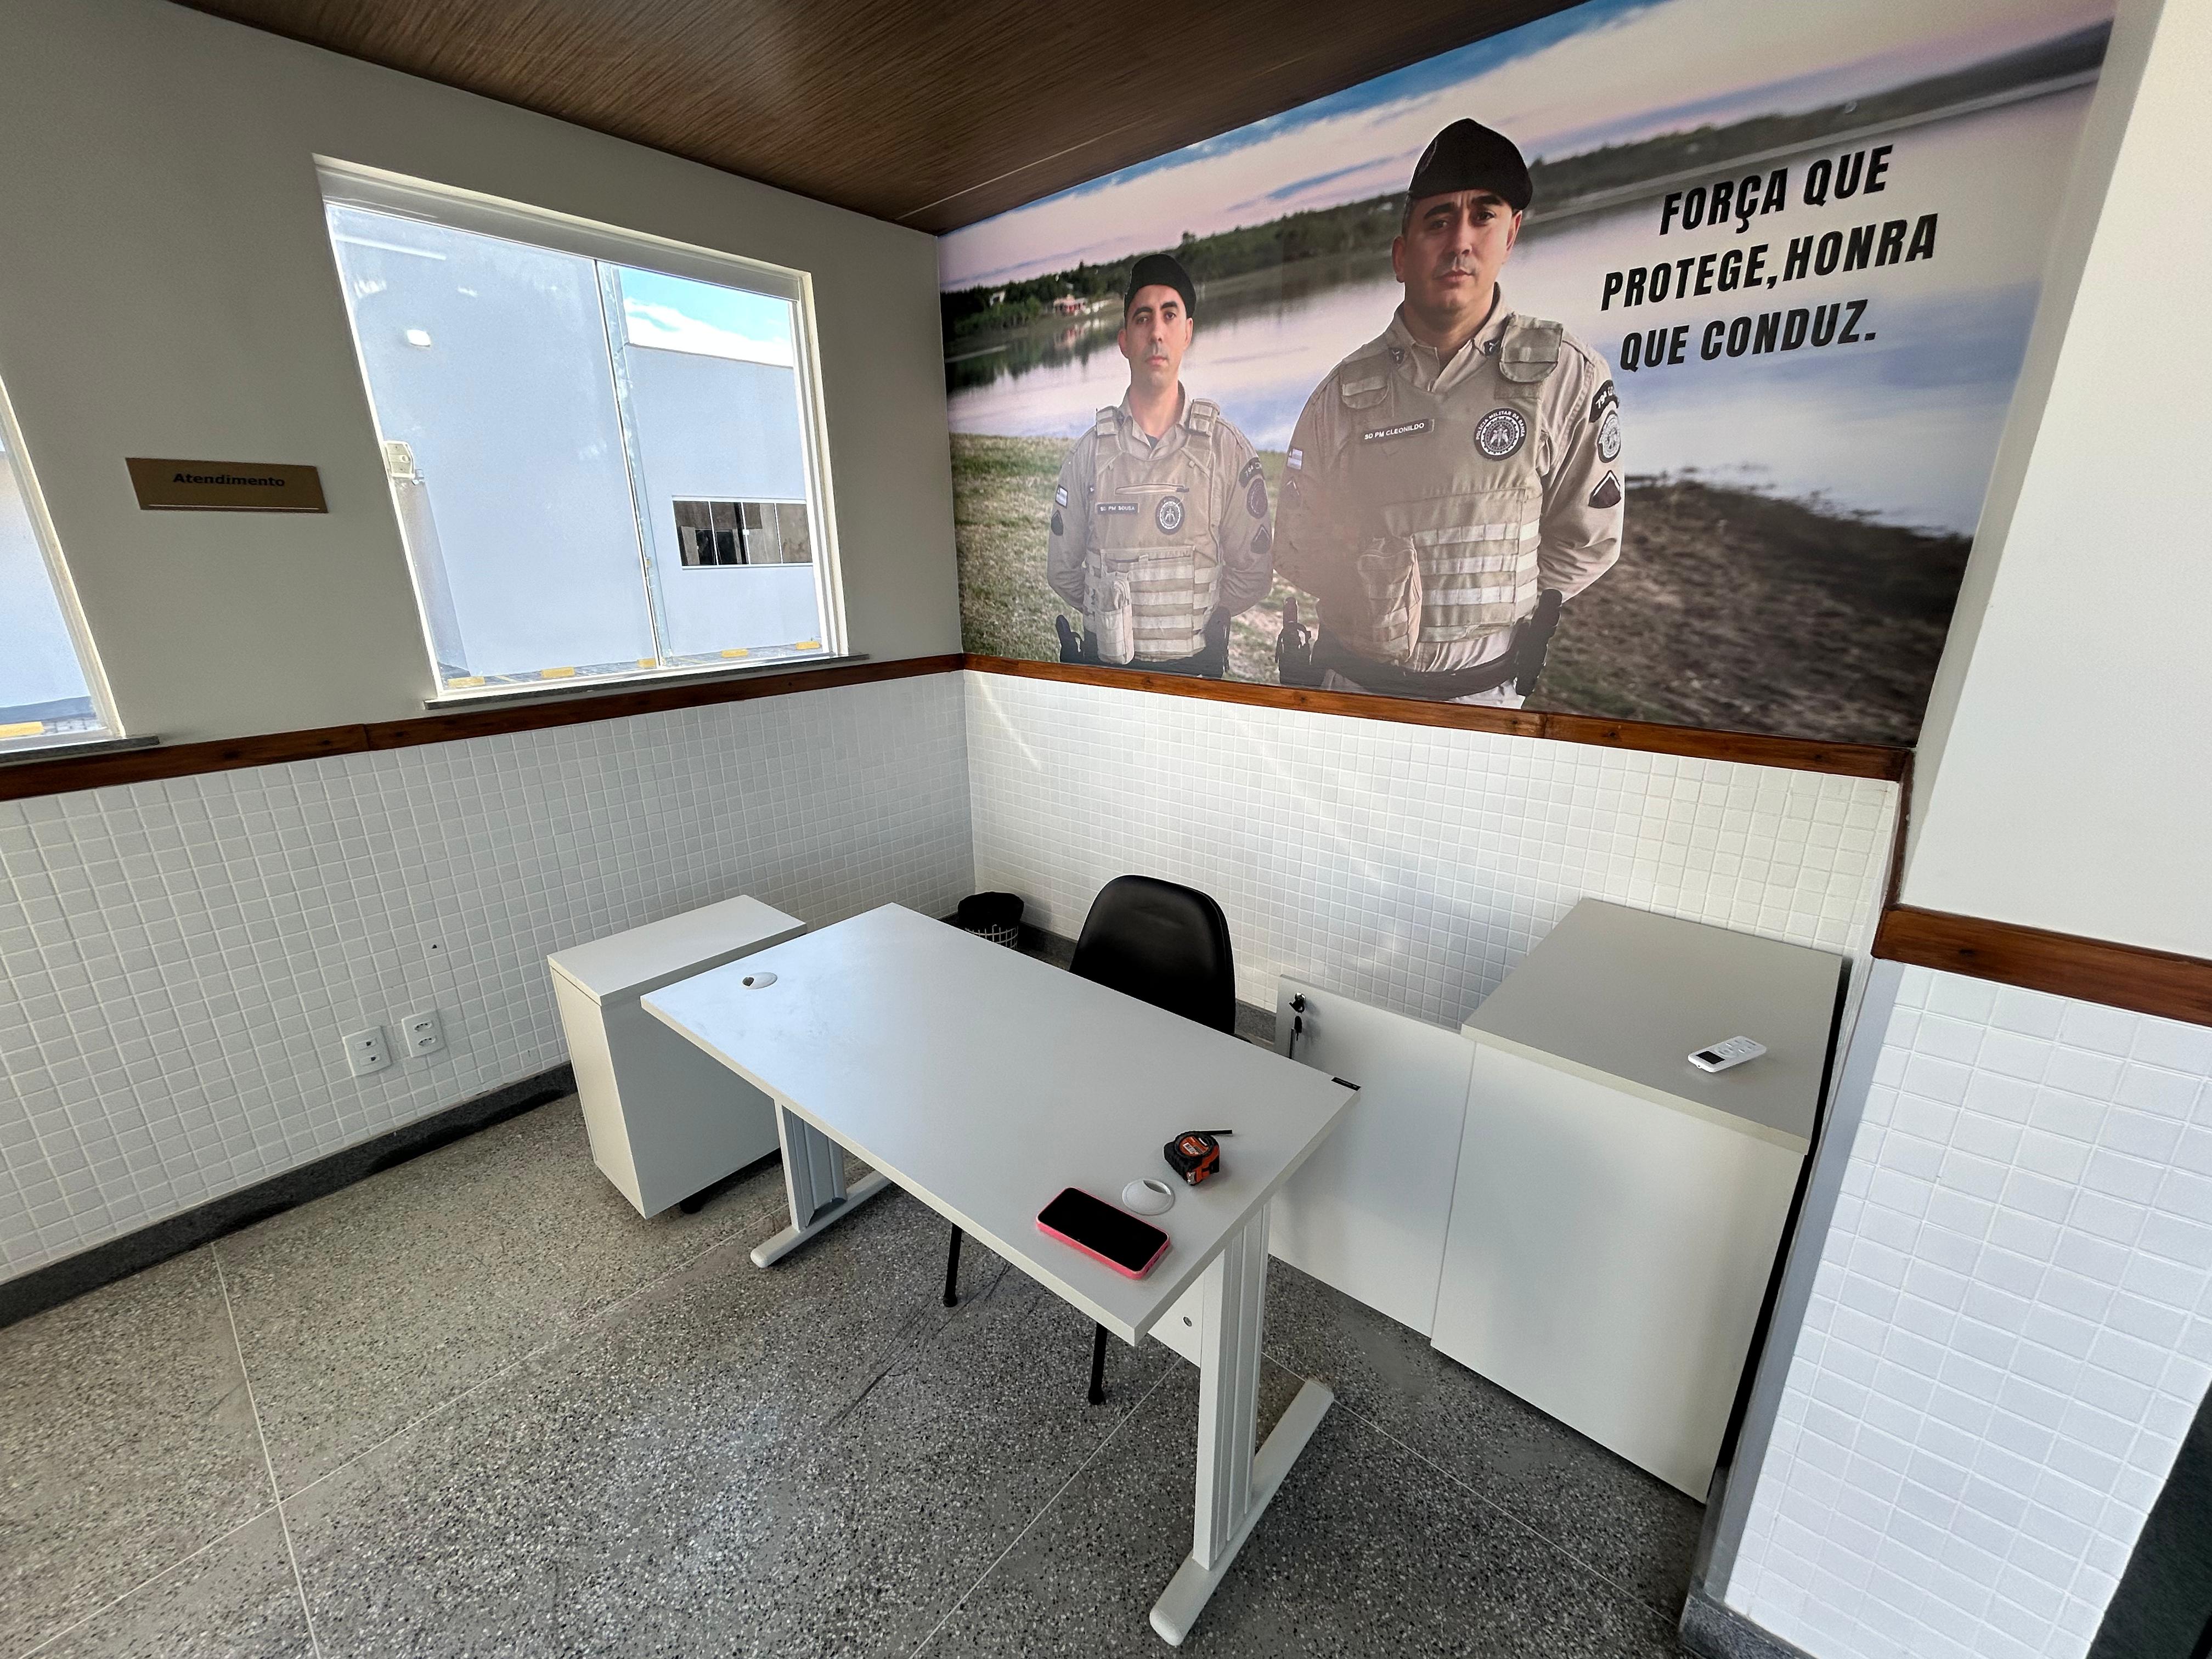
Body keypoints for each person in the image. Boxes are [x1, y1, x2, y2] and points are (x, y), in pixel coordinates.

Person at [1274, 119, 1623, 706]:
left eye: (1483, 216)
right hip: (1354, 695)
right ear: (1402, 255)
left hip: (1486, 701)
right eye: (1438, 221)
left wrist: (1489, 609)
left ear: (1511, 234)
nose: (1460, 240)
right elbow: (1297, 547)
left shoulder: (1567, 376)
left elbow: (1585, 540)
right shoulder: (1340, 396)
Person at [1046, 252, 1274, 678]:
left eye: (1170, 316)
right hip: (1110, 680)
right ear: (1124, 341)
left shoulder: (1227, 450)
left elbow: (1254, 574)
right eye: (1143, 318)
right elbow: (1062, 571)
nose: (1156, 333)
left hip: (1197, 680)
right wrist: (1110, 619)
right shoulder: (1088, 457)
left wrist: (1196, 619)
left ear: (1187, 332)